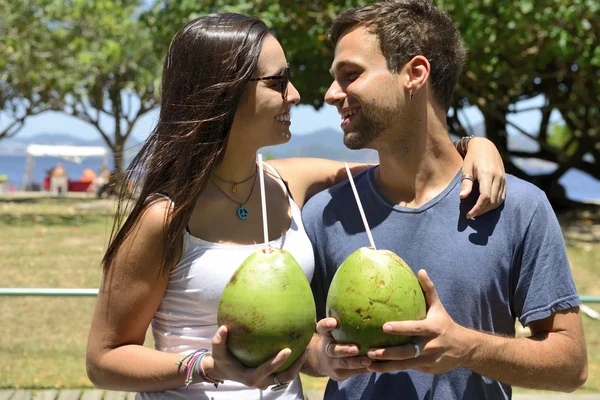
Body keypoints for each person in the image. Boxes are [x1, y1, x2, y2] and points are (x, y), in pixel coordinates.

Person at [85, 13, 506, 400]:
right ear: (224, 91)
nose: (296, 94)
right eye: (278, 81)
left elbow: (413, 162)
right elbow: (105, 360)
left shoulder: (288, 182)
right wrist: (207, 366)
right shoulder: (163, 218)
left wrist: (474, 146)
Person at [301, 1, 588, 399]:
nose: (332, 94)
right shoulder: (324, 214)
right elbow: (302, 347)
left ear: (415, 74)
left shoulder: (519, 208)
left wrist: (465, 348)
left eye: (351, 75)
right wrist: (323, 358)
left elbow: (571, 366)